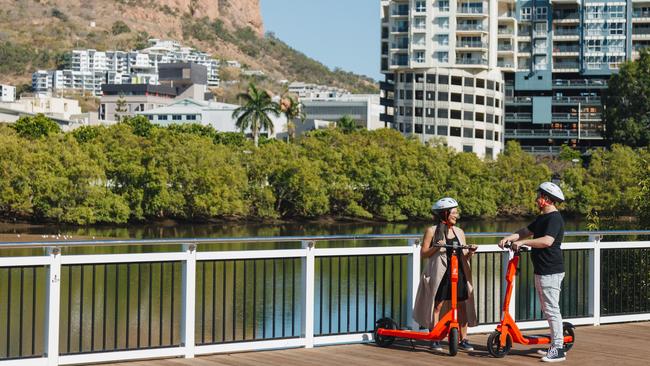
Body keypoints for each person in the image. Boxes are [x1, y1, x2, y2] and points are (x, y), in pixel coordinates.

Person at [499, 182, 567, 362]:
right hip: (542, 270)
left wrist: (523, 243)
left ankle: (558, 349)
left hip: (551, 270)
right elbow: (525, 231)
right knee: (548, 309)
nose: (536, 199)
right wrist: (510, 237)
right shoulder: (542, 218)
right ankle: (555, 345)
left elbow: (547, 241)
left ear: (545, 199)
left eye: (539, 196)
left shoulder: (554, 218)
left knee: (552, 310)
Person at [413, 197, 478, 352]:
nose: (456, 216)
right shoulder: (431, 231)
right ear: (444, 213)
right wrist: (437, 247)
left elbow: (464, 257)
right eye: (453, 213)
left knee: (462, 305)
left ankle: (464, 339)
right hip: (440, 274)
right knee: (438, 305)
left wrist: (470, 253)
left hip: (458, 272)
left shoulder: (460, 232)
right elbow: (424, 254)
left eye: (456, 212)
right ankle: (435, 339)